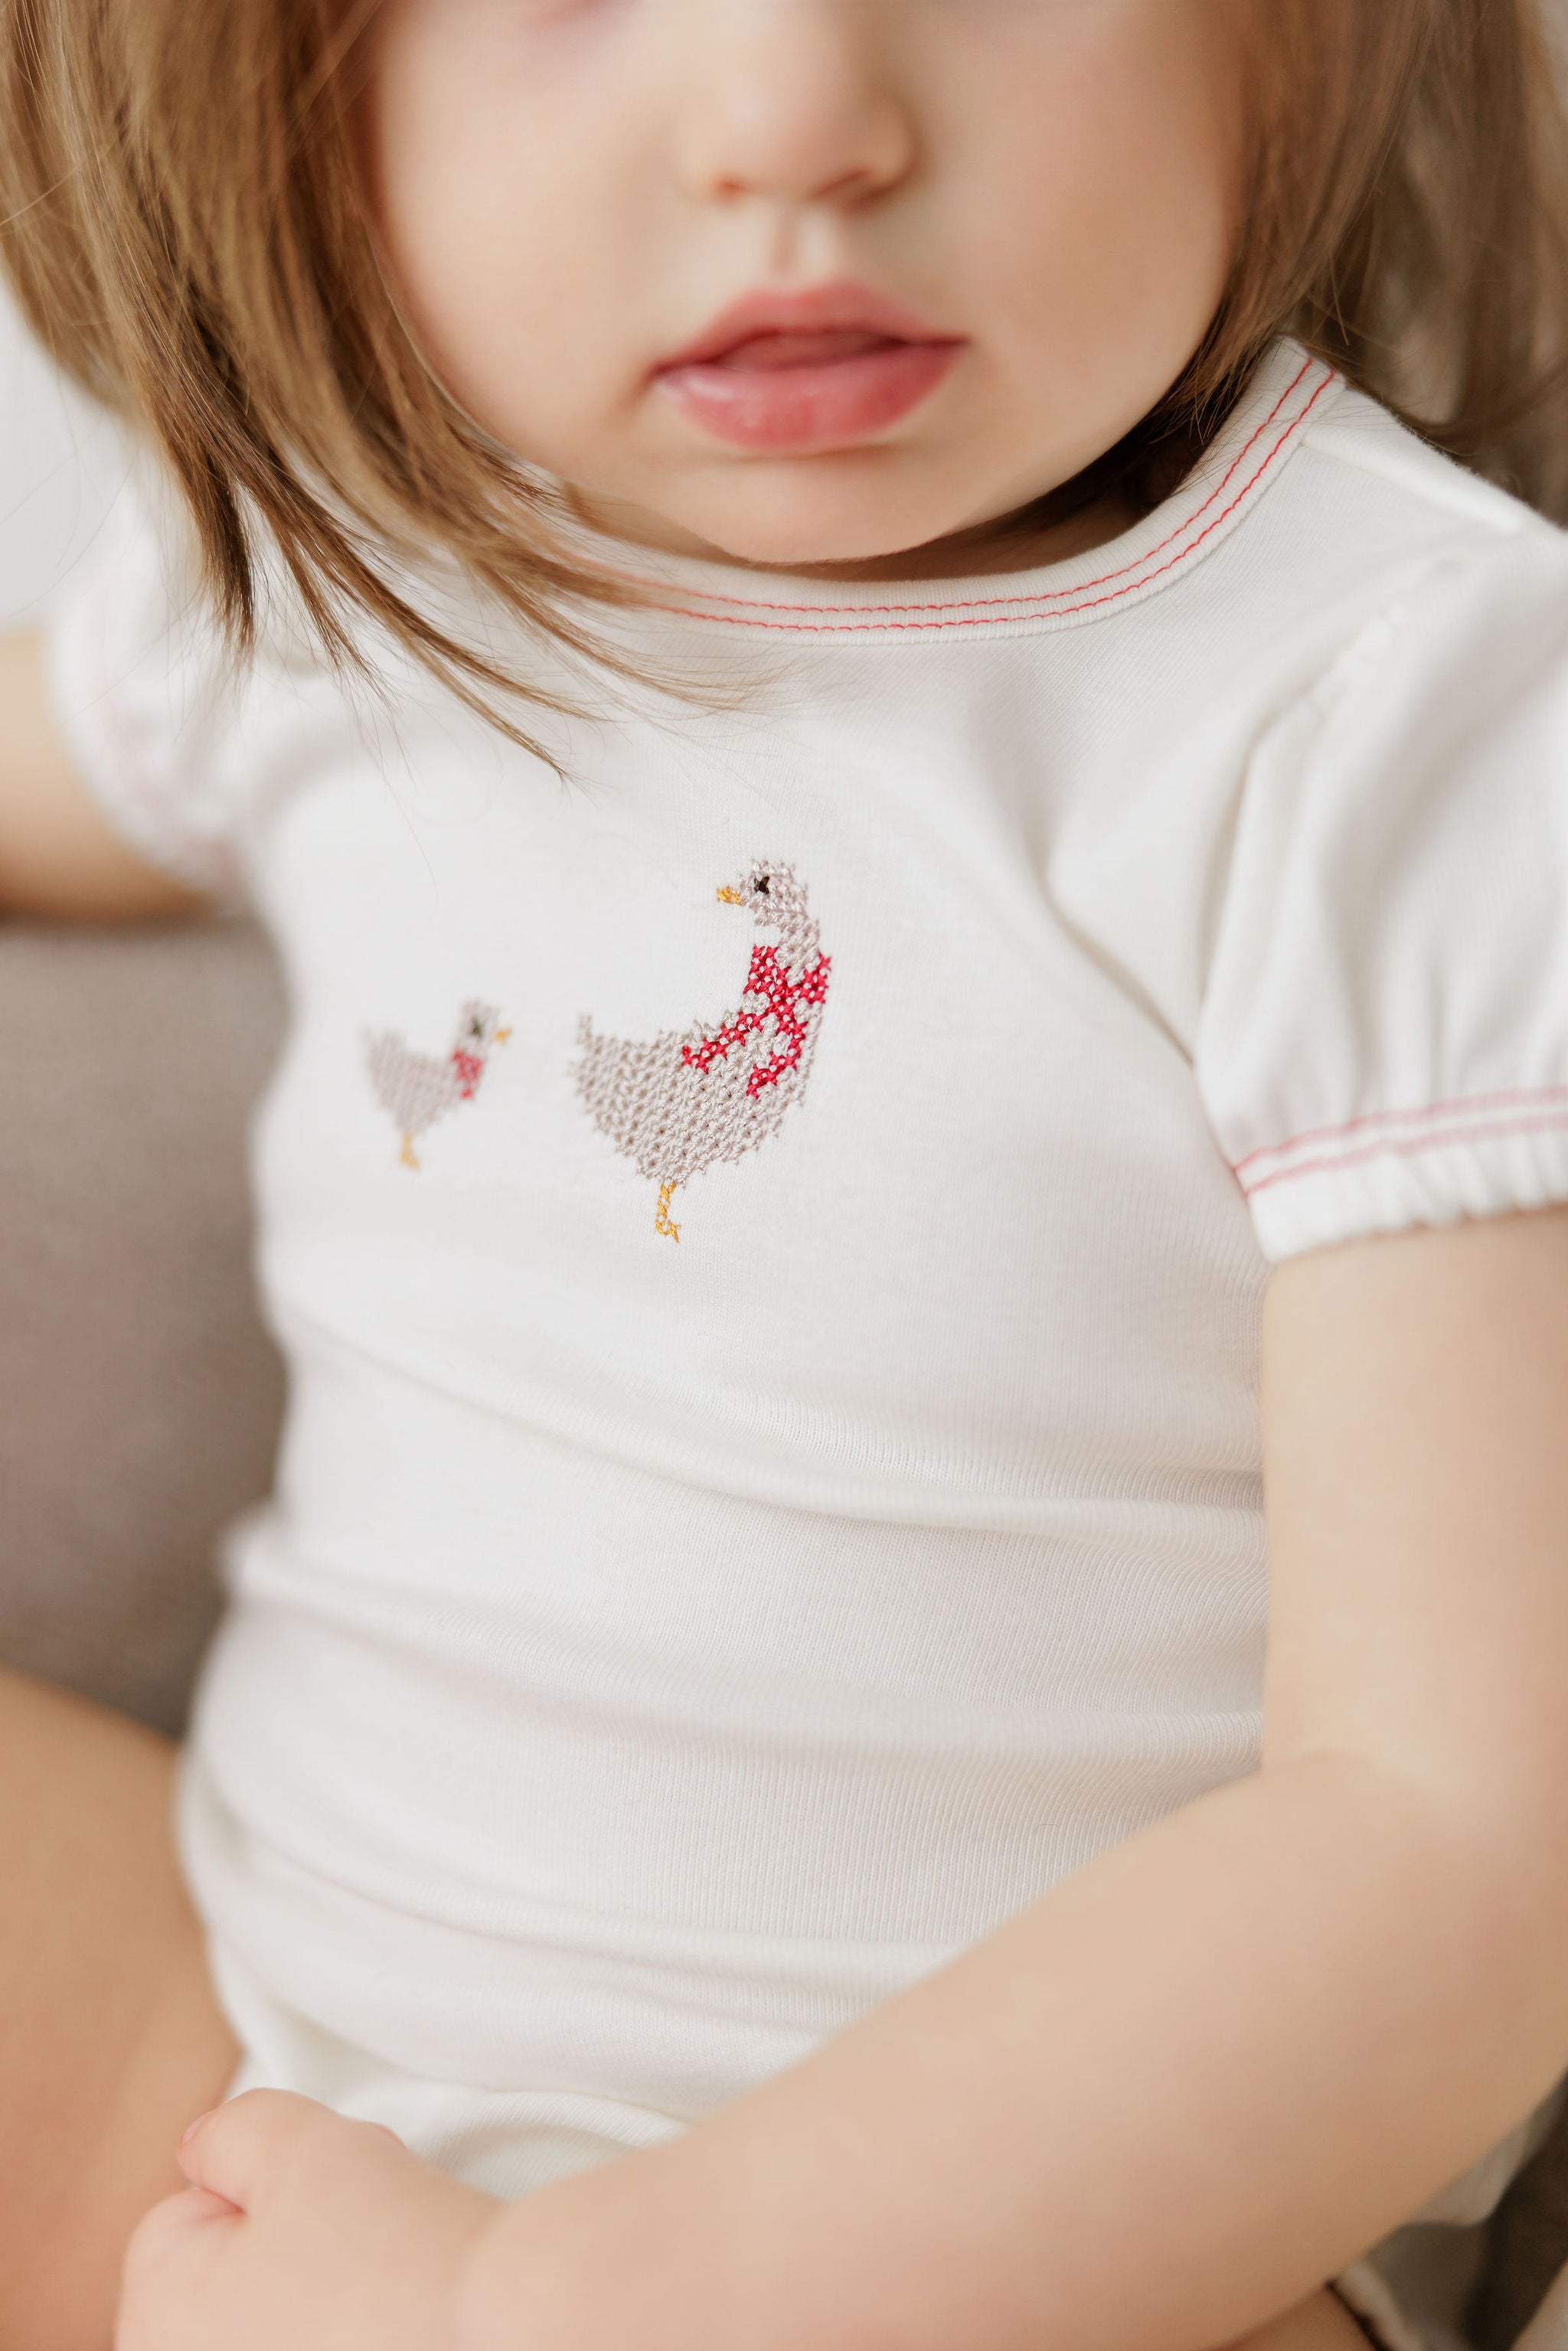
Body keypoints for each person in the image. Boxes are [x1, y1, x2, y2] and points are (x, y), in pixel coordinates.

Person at [5, 1, 1568, 2346]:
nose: (794, 121)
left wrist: (558, 2306)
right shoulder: (345, 574)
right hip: (244, 2021)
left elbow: (1466, 1844)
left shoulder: (1392, 707)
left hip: (1049, 2241)